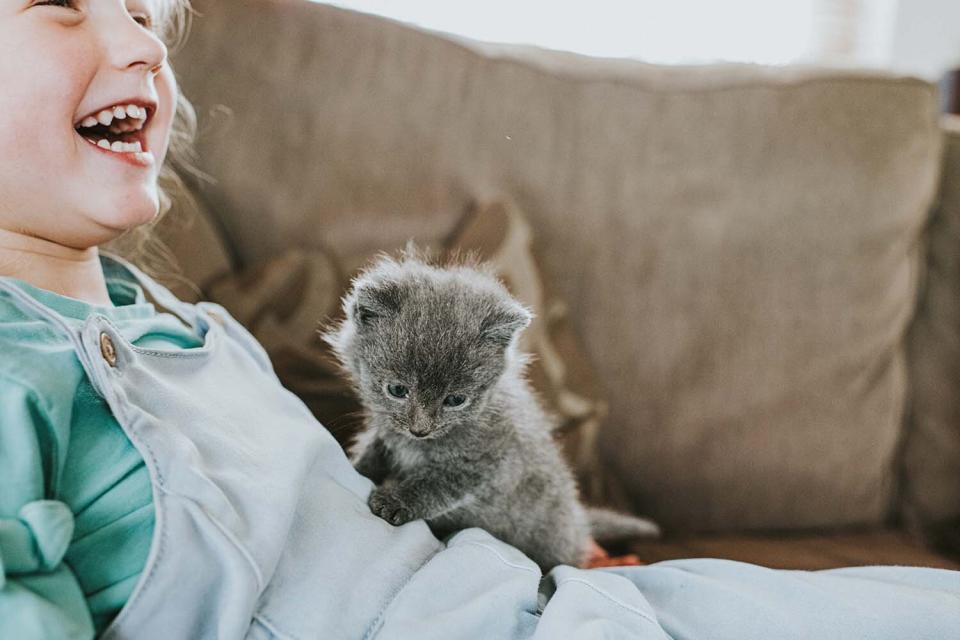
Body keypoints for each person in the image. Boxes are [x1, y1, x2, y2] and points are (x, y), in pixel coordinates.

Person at [0, 2, 957, 639]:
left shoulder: (193, 328)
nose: (145, 42)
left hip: (536, 602)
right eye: (61, 1)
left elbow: (342, 513)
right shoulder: (15, 370)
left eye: (138, 9)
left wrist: (554, 543)